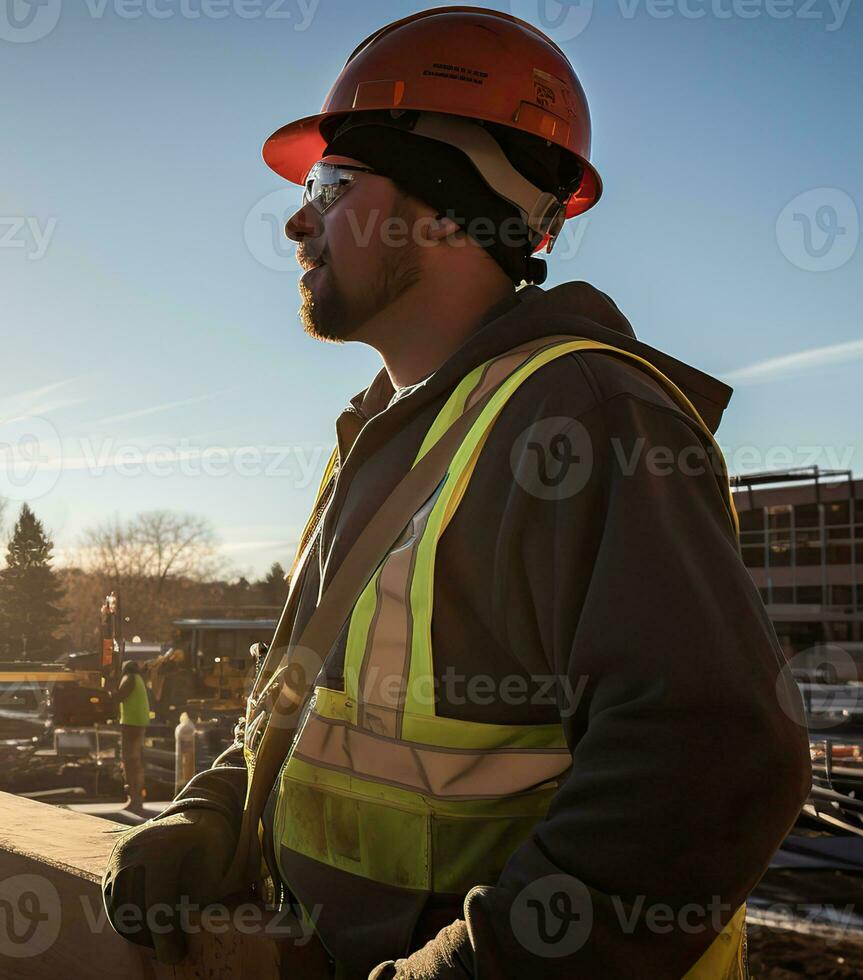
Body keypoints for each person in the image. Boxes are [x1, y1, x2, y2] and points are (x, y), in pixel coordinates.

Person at [100, 8, 810, 977]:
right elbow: (305, 703)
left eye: (333, 184)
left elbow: (710, 768)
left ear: (440, 206)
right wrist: (213, 812)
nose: (297, 217)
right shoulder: (394, 429)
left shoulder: (582, 414)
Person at [115, 659, 152, 812]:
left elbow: (118, 697)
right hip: (139, 724)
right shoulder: (139, 679)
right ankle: (138, 798)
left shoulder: (129, 679)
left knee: (129, 761)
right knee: (136, 761)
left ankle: (134, 799)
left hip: (131, 725)